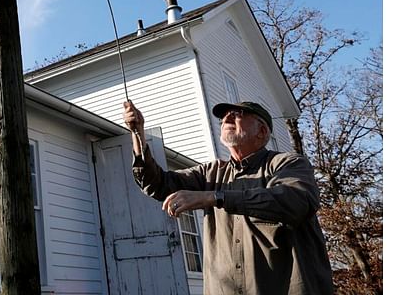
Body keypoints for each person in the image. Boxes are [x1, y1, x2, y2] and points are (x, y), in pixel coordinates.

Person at [123, 100, 333, 295]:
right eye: (224, 117)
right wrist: (138, 134)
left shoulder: (288, 164)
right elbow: (157, 185)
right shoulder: (211, 172)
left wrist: (216, 197)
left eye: (238, 114)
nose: (227, 118)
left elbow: (295, 201)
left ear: (261, 131)